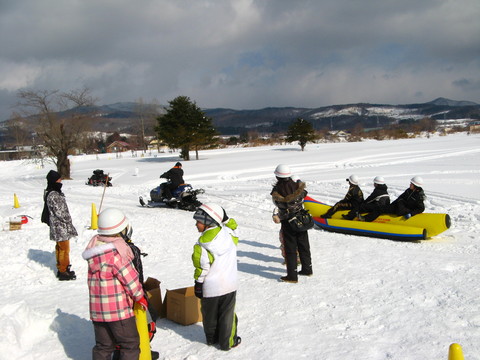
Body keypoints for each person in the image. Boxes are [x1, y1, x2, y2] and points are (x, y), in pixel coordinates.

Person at [82, 208, 148, 360]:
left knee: (103, 346)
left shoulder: (95, 253)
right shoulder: (116, 255)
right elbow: (131, 280)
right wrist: (140, 296)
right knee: (129, 344)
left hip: (97, 312)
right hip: (119, 312)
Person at [192, 203, 241, 351]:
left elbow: (202, 268)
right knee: (227, 315)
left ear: (208, 223)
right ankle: (228, 342)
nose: (196, 225)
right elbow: (235, 227)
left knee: (209, 315)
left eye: (198, 222)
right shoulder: (228, 235)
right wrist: (225, 219)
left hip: (211, 287)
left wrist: (198, 284)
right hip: (229, 284)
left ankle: (212, 339)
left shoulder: (202, 245)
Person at [271, 164, 312, 283]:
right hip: (301, 218)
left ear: (277, 176)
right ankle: (307, 269)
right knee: (304, 245)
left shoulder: (277, 190)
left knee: (290, 248)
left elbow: (279, 205)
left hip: (288, 222)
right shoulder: (297, 186)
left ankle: (292, 276)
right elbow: (304, 193)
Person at [43, 170, 78, 281]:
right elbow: (60, 212)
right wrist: (68, 220)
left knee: (60, 248)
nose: (61, 181)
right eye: (59, 179)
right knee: (64, 249)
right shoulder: (54, 194)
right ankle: (63, 270)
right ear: (54, 181)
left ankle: (63, 268)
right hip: (60, 227)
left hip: (57, 226)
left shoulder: (51, 192)